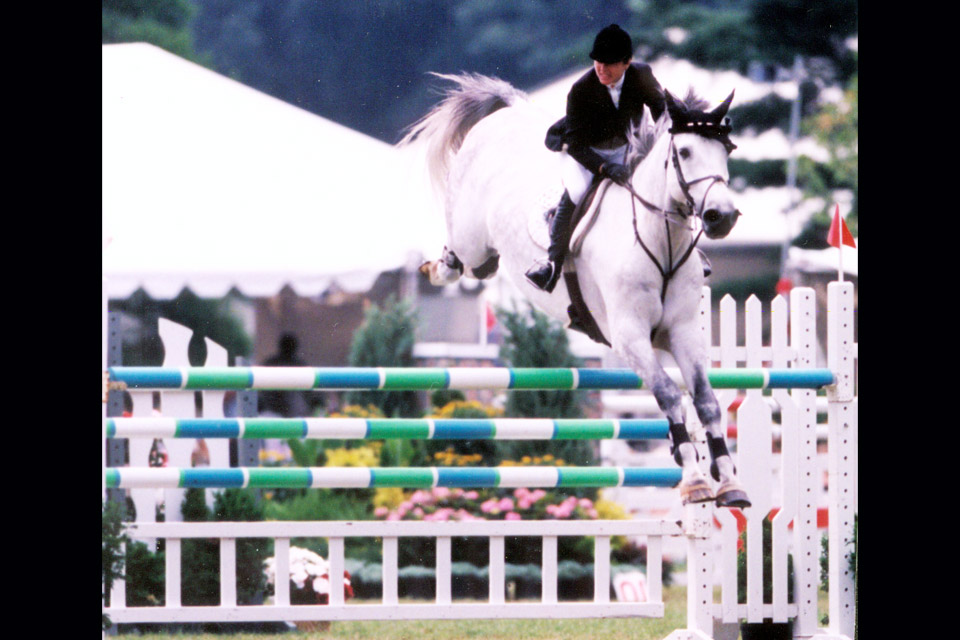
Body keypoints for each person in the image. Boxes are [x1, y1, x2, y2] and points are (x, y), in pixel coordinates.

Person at [526, 24, 666, 293]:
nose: (601, 69)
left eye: (609, 64)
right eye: (598, 62)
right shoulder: (581, 90)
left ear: (627, 62)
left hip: (629, 145)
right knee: (578, 192)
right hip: (586, 152)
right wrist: (604, 168)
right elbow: (577, 145)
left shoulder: (642, 75)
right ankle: (552, 264)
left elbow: (661, 110)